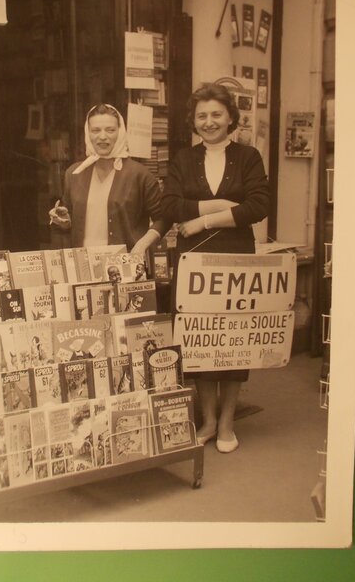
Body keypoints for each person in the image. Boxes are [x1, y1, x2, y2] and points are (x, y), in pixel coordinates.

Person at [161, 83, 270, 453]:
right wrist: (223, 205)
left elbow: (258, 206)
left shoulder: (249, 156)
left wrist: (203, 221)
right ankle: (207, 419)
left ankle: (226, 423)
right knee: (199, 338)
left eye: (216, 114)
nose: (209, 122)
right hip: (193, 261)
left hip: (235, 259)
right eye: (202, 115)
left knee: (232, 340)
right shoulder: (182, 159)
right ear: (194, 121)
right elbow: (172, 207)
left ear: (230, 118)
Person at [49, 103, 166, 255]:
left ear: (121, 131)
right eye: (95, 130)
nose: (102, 136)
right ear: (87, 133)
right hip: (83, 266)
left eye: (110, 130)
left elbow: (163, 219)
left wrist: (142, 245)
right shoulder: (74, 173)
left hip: (126, 266)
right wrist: (63, 221)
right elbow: (69, 223)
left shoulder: (140, 175)